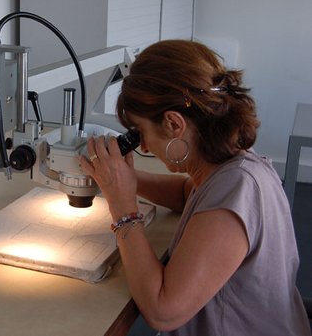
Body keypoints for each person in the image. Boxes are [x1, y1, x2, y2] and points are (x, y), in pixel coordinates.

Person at [79, 39, 311, 335]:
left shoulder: (237, 189)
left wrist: (123, 209)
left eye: (142, 134)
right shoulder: (232, 168)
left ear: (174, 124)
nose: (145, 148)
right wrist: (124, 182)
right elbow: (187, 194)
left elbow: (163, 311)